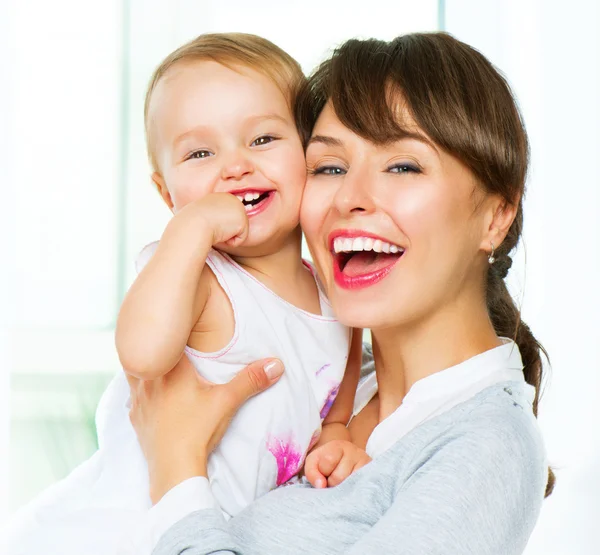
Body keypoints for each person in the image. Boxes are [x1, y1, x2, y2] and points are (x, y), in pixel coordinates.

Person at [127, 32, 554, 555]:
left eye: (403, 166)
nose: (351, 197)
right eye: (329, 167)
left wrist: (175, 474)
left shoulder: (486, 446)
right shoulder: (324, 373)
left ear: (495, 217)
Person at [3, 33, 367, 555]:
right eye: (200, 152)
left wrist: (336, 438)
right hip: (117, 532)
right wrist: (190, 232)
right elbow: (143, 353)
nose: (235, 165)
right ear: (165, 192)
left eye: (262, 139)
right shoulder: (197, 274)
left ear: (308, 153)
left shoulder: (336, 294)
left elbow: (336, 403)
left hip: (208, 534)